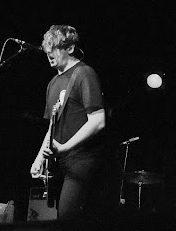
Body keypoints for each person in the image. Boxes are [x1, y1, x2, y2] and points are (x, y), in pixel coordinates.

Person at [30, 25, 117, 221]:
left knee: (68, 216)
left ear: (69, 48)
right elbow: (53, 126)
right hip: (62, 162)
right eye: (47, 50)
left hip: (83, 158)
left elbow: (97, 121)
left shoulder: (84, 74)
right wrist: (39, 159)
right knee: (61, 216)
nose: (49, 54)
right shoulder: (53, 83)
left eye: (55, 48)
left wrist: (65, 147)